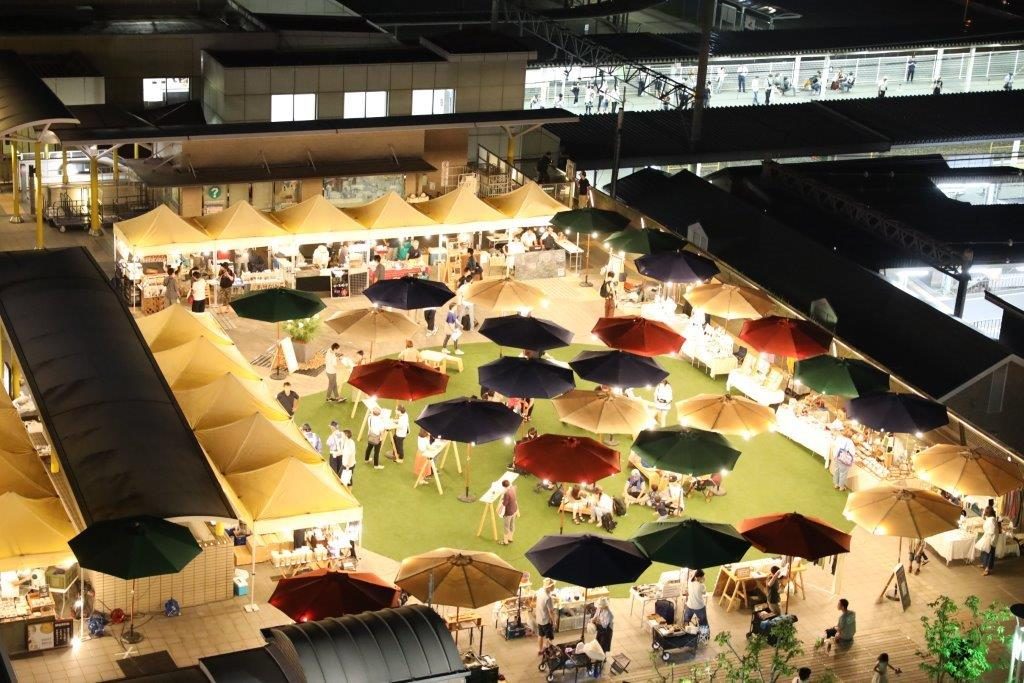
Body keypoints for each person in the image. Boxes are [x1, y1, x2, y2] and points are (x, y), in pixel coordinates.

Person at [976, 506, 999, 575]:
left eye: (985, 511)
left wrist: (989, 538)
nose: (984, 512)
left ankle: (987, 568)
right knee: (985, 551)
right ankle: (984, 564)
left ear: (988, 513)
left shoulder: (992, 519)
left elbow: (992, 531)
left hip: (991, 538)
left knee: (990, 553)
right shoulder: (989, 518)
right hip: (987, 537)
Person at [535, 579, 556, 654]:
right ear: (549, 587)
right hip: (546, 620)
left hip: (539, 617)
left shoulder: (540, 591)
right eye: (553, 585)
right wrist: (554, 621)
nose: (554, 586)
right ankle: (548, 651)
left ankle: (540, 650)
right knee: (549, 637)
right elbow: (551, 611)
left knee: (540, 635)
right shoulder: (548, 597)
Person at [498, 478, 519, 545]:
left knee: (506, 526)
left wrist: (499, 510)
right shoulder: (513, 488)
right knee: (512, 524)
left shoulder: (507, 493)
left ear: (504, 486)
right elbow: (515, 487)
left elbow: (504, 504)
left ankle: (505, 541)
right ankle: (510, 538)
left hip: (509, 512)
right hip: (514, 509)